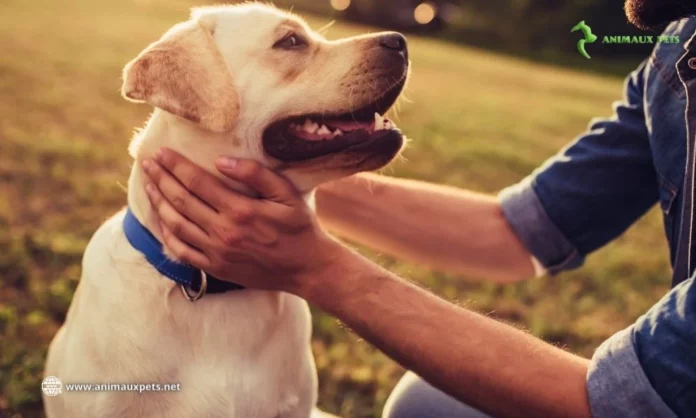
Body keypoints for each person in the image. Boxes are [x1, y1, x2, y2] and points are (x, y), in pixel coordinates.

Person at [139, 0, 696, 416]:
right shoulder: (675, 58)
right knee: (425, 405)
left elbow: (631, 403)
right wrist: (254, 172)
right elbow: (517, 231)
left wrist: (317, 267)